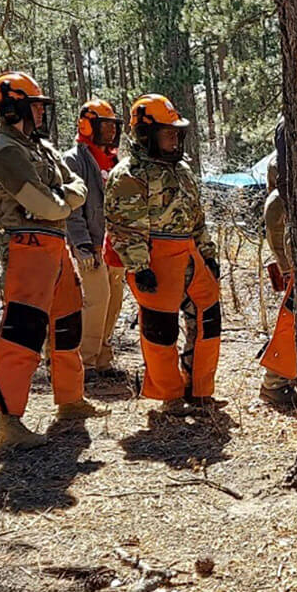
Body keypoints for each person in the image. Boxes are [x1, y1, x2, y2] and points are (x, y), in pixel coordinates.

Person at [0, 71, 102, 450]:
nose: (41, 113)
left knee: (67, 322)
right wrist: (62, 200)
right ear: (14, 108)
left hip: (53, 244)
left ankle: (69, 400)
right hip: (25, 248)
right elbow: (47, 205)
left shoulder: (40, 147)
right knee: (23, 332)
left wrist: (61, 200)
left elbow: (73, 188)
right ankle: (9, 422)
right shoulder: (5, 153)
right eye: (34, 106)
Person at [105, 94, 223, 415]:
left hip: (189, 253)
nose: (175, 138)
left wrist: (208, 254)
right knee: (160, 329)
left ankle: (199, 389)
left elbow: (196, 218)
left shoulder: (182, 169)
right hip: (154, 257)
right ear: (145, 134)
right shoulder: (130, 173)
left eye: (176, 132)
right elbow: (124, 225)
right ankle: (170, 396)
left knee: (208, 317)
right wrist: (139, 266)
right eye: (167, 132)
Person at [64, 99, 125, 381]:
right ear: (88, 126)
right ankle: (84, 364)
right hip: (90, 244)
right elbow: (72, 208)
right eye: (105, 126)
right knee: (97, 299)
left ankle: (103, 359)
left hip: (114, 245)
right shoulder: (73, 161)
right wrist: (81, 244)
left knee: (114, 300)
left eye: (114, 126)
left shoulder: (114, 161)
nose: (111, 132)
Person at [259, 155, 297, 408]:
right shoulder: (277, 201)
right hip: (295, 271)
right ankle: (274, 383)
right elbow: (277, 239)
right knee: (289, 328)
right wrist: (288, 270)